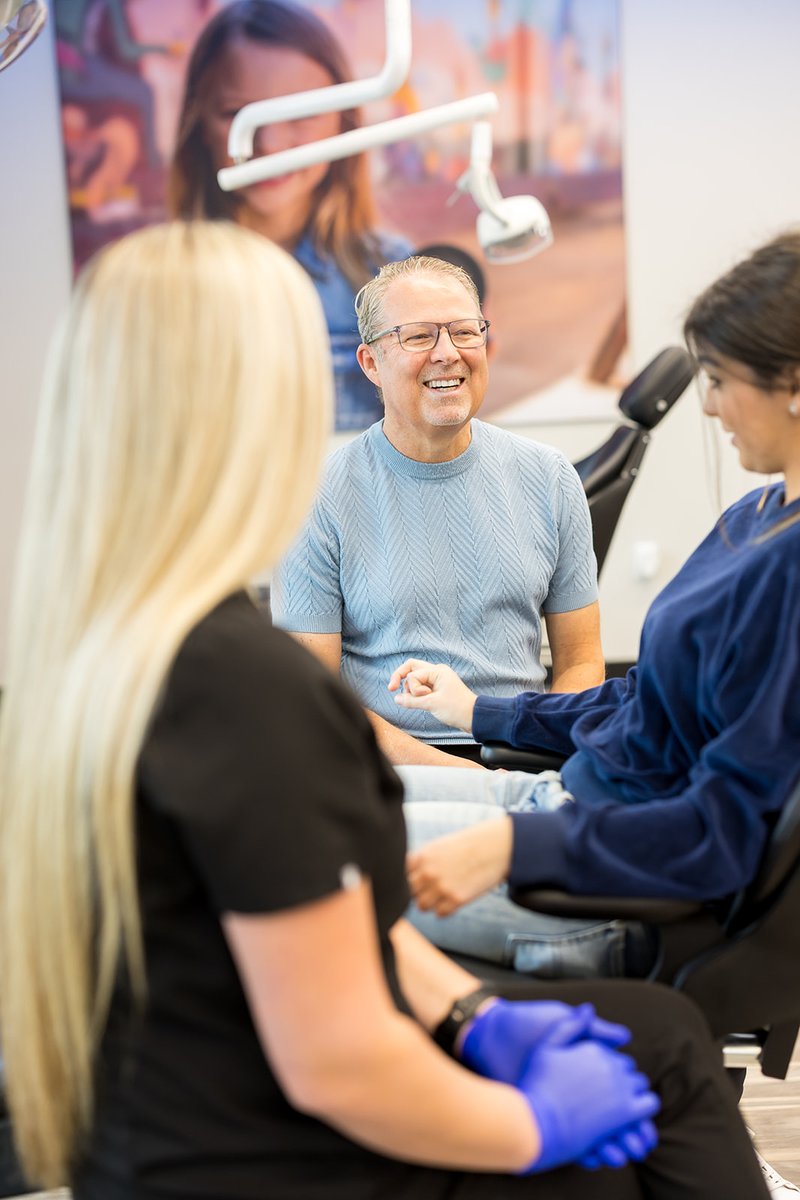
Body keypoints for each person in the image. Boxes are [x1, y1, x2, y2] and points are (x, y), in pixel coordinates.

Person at [0, 221, 770, 1200]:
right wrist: (531, 1125)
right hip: (263, 1152)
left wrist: (473, 1018)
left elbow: (341, 901)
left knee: (656, 1045)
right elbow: (339, 1054)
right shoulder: (239, 688)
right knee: (652, 1073)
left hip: (183, 1123)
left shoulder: (115, 649)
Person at [386, 230, 800, 982]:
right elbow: (647, 704)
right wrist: (480, 712)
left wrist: (516, 847)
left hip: (615, 891)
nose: (707, 407)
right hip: (572, 803)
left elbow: (722, 832)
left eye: (718, 379)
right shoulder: (757, 514)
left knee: (295, 866)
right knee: (298, 810)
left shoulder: (790, 573)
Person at [271, 254, 605, 772]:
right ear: (369, 364)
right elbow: (315, 698)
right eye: (419, 336)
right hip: (386, 770)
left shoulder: (551, 477)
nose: (448, 353)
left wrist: (551, 757)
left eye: (464, 332)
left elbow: (581, 661)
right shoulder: (315, 497)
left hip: (525, 753)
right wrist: (465, 780)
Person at [167, 0, 412, 432]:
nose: (272, 143)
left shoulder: (394, 277)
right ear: (199, 121)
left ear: (343, 121)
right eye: (237, 114)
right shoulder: (158, 281)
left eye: (300, 112)